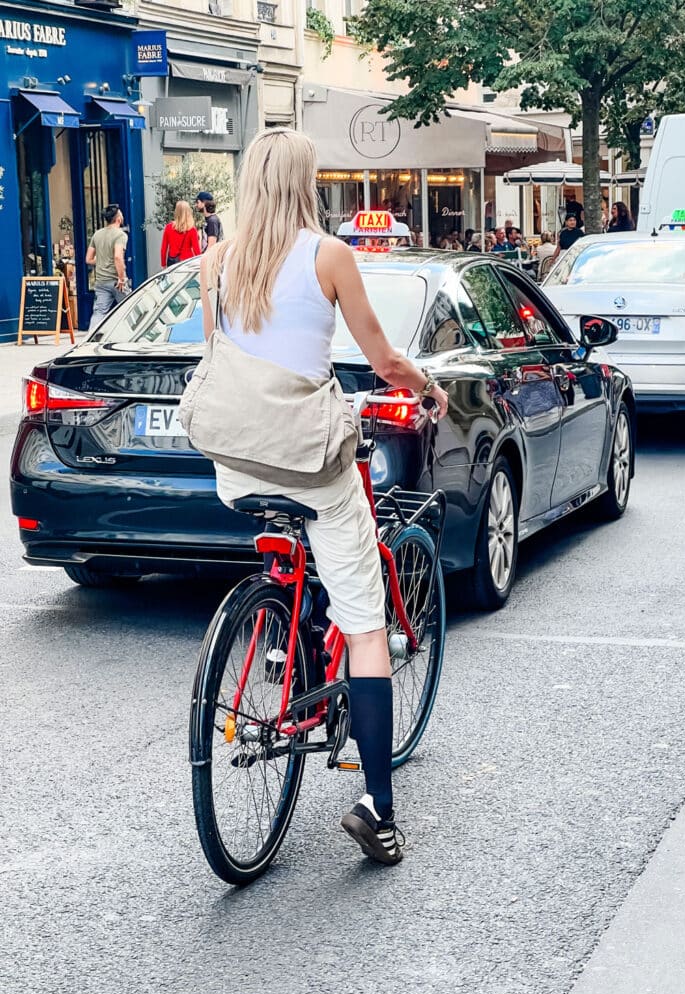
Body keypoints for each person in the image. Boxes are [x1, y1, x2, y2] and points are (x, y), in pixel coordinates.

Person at [199, 128, 449, 866]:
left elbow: (227, 360)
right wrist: (425, 389)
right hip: (308, 461)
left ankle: (284, 630)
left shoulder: (219, 260)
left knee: (297, 536)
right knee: (368, 626)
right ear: (308, 182)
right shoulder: (328, 255)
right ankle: (378, 808)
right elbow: (382, 357)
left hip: (237, 463)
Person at [85, 203, 129, 328]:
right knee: (129, 308)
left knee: (99, 313)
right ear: (118, 218)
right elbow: (118, 257)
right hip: (117, 281)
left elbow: (88, 259)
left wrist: (102, 261)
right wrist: (121, 278)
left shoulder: (97, 234)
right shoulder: (120, 235)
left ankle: (91, 340)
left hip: (101, 281)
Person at [160, 201, 201, 268]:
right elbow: (196, 250)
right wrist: (200, 264)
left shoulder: (168, 227)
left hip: (172, 262)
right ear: (188, 212)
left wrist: (163, 264)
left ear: (176, 212)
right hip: (187, 262)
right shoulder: (192, 229)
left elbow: (163, 249)